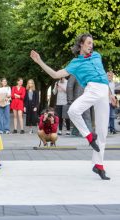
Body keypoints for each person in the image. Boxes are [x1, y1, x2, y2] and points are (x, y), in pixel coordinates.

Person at [30, 33, 110, 180]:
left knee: (103, 132)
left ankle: (98, 165)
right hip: (92, 89)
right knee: (73, 110)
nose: (91, 46)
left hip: (104, 91)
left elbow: (103, 74)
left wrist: (110, 92)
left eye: (92, 43)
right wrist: (39, 61)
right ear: (81, 44)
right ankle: (88, 135)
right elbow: (55, 74)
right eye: (88, 43)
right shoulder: (75, 63)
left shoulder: (97, 55)